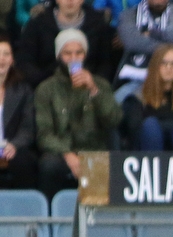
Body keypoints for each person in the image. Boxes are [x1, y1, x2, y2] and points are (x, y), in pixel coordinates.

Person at [35, 29, 122, 201]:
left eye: (79, 52)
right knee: (49, 165)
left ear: (85, 55)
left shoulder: (100, 85)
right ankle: (51, 222)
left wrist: (93, 90)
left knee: (100, 165)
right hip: (61, 152)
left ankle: (96, 224)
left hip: (94, 149)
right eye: (67, 53)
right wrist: (68, 154)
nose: (73, 58)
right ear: (59, 55)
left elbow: (114, 120)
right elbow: (44, 135)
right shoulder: (46, 89)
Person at [115, 0, 173, 104]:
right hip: (136, 81)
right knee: (117, 103)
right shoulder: (128, 15)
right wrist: (172, 47)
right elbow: (132, 42)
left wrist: (155, 34)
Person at [16, 0, 114, 88]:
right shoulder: (37, 24)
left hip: (88, 88)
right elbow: (25, 61)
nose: (70, 1)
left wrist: (94, 82)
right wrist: (45, 84)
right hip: (45, 90)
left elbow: (105, 63)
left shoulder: (98, 25)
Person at [122, 43, 173, 150]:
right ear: (155, 66)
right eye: (164, 63)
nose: (169, 68)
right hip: (145, 156)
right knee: (151, 126)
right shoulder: (138, 96)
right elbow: (134, 129)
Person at [0, 34, 38, 190]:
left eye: (6, 54)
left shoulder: (23, 91)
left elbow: (28, 127)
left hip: (13, 147)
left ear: (12, 60)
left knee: (23, 161)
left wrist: (14, 145)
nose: (1, 59)